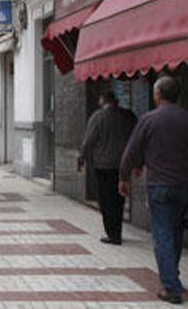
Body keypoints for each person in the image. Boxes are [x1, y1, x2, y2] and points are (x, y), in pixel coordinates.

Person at [119, 76, 188, 305]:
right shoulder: (185, 118)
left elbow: (132, 149)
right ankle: (173, 277)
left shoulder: (149, 119)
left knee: (163, 234)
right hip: (183, 185)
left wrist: (124, 176)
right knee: (176, 232)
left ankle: (171, 286)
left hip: (159, 185)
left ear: (158, 95)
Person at [77, 91, 137, 245]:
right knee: (119, 198)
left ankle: (112, 233)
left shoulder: (98, 117)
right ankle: (117, 231)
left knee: (105, 199)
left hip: (103, 166)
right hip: (123, 165)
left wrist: (82, 157)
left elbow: (89, 140)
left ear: (103, 100)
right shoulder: (128, 115)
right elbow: (136, 138)